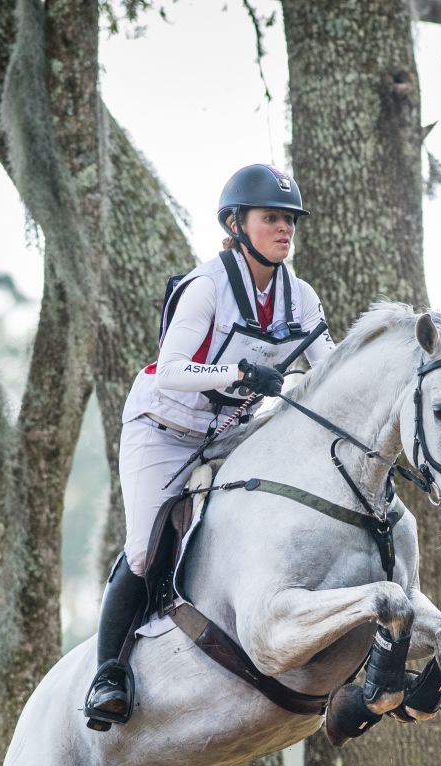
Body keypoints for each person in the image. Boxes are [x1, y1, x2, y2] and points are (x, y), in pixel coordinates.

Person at [84, 163, 337, 730]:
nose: (284, 230)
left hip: (229, 436)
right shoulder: (206, 287)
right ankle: (107, 675)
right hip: (163, 430)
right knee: (145, 550)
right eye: (271, 218)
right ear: (236, 224)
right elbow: (171, 371)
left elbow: (331, 372)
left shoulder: (303, 299)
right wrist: (242, 373)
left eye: (290, 220)